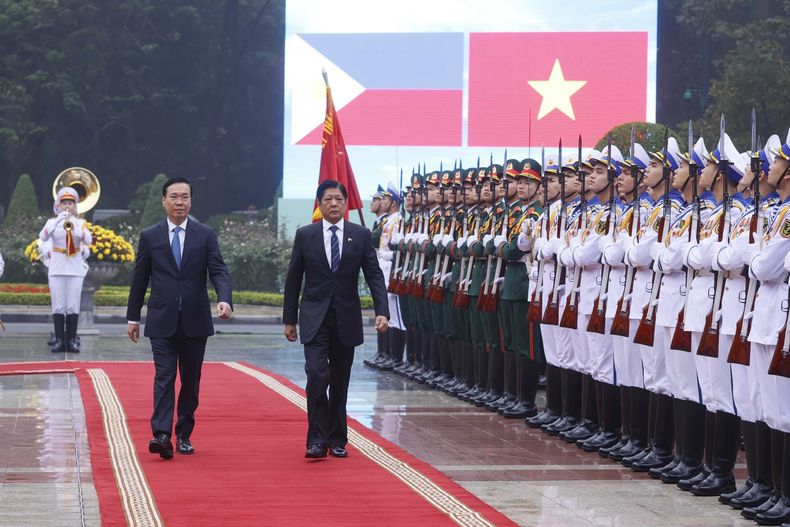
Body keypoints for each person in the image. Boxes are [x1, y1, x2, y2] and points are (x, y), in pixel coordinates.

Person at [126, 176, 233, 460]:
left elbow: (218, 270)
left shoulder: (205, 234)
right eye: (174, 196)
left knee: (190, 380)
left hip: (195, 320)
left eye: (184, 197)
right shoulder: (151, 235)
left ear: (190, 200)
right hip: (161, 319)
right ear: (164, 201)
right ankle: (161, 434)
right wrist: (133, 317)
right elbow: (140, 279)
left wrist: (224, 298)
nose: (179, 202)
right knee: (164, 376)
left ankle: (183, 432)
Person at [283, 180, 389, 459]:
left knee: (340, 381)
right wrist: (289, 319)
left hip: (346, 317)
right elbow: (294, 279)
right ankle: (316, 440)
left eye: (338, 199)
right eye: (328, 199)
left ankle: (338, 438)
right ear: (319, 204)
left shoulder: (361, 234)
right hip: (314, 317)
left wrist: (382, 310)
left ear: (346, 204)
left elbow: (374, 274)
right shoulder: (306, 235)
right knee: (317, 375)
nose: (333, 204)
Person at [39, 187, 92, 353]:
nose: (67, 206)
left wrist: (74, 226)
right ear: (58, 205)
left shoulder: (81, 223)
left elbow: (88, 240)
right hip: (57, 266)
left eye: (70, 203)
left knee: (73, 305)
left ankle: (71, 341)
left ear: (75, 206)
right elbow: (43, 237)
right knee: (58, 305)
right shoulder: (51, 223)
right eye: (64, 203)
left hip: (75, 267)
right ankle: (59, 340)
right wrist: (57, 221)